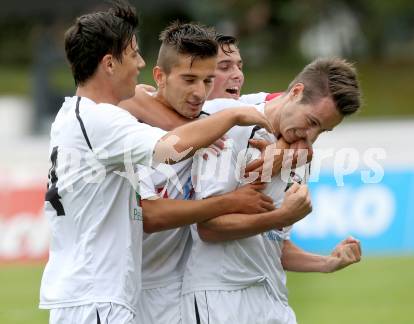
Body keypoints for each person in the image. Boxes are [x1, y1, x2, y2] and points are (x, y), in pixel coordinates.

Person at [38, 2, 274, 323]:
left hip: (94, 294)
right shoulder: (99, 119)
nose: (140, 64)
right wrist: (231, 116)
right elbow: (168, 150)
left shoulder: (80, 115)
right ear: (109, 64)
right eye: (133, 54)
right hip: (96, 297)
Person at [118, 22, 311, 324]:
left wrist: (290, 149)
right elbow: (150, 216)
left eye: (207, 80)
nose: (199, 90)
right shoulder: (133, 125)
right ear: (160, 77)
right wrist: (233, 201)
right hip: (131, 288)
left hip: (181, 291)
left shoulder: (227, 110)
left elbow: (300, 110)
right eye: (190, 79)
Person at [181, 58, 362, 324]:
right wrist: (281, 216)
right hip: (220, 298)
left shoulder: (299, 155)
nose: (310, 137)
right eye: (311, 121)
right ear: (296, 92)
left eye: (322, 130)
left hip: (273, 299)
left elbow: (274, 243)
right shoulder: (231, 127)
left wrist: (327, 263)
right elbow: (208, 228)